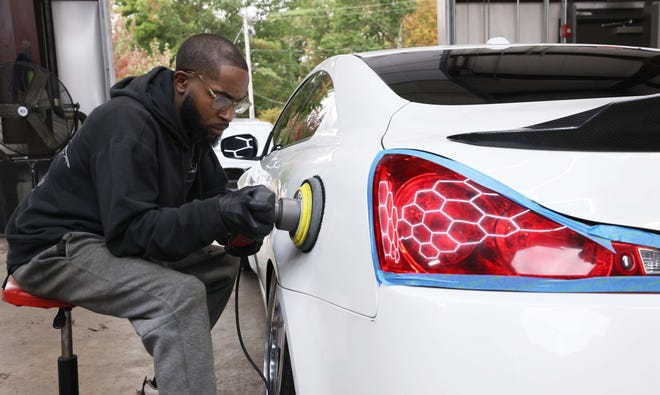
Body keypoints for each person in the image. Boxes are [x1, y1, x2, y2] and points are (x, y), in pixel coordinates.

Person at [3, 33, 274, 395]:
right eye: (221, 98)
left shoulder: (191, 128)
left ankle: (171, 383)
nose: (228, 113)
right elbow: (132, 233)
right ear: (182, 82)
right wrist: (218, 213)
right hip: (51, 248)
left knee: (221, 268)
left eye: (236, 103)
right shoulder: (126, 125)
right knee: (180, 297)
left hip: (103, 237)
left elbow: (211, 198)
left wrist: (240, 224)